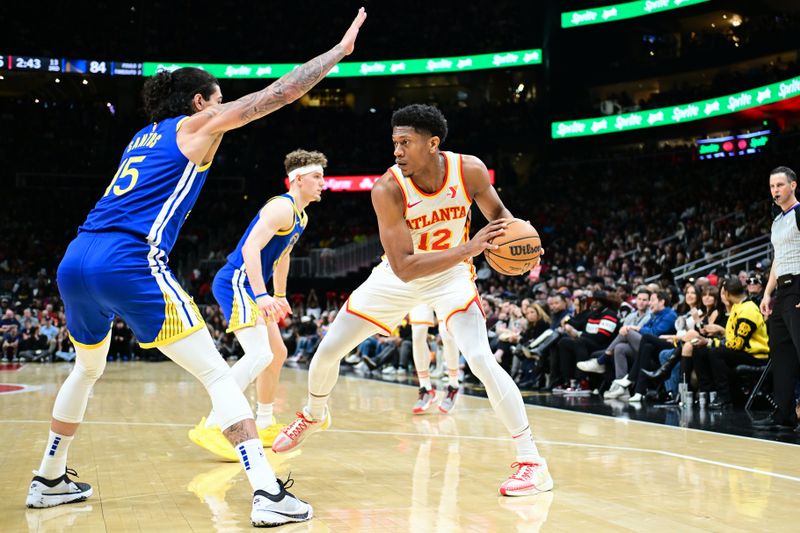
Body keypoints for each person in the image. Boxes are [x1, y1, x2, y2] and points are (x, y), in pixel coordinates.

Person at [24, 9, 367, 528]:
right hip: (129, 258)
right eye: (220, 99)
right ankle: (267, 492)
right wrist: (336, 54)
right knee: (213, 371)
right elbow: (275, 95)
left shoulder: (143, 136)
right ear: (200, 102)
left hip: (77, 257)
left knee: (87, 369)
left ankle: (49, 478)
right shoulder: (197, 124)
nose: (226, 108)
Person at [272, 104, 554, 497]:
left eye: (405, 143)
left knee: (480, 359)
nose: (397, 151)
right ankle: (313, 414)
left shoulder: (468, 169)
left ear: (433, 144)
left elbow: (500, 219)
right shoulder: (386, 189)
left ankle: (532, 462)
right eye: (394, 143)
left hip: (452, 278)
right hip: (397, 277)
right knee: (327, 353)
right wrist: (468, 249)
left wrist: (524, 244)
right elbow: (404, 267)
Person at [188, 150, 327, 460]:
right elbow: (251, 247)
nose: (322, 183)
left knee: (277, 353)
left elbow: (283, 256)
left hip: (255, 288)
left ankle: (264, 421)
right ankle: (214, 424)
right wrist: (263, 295)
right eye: (317, 177)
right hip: (238, 283)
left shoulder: (301, 215)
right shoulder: (281, 207)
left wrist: (279, 295)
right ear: (298, 179)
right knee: (261, 353)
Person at [756, 166, 800, 431]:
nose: (775, 190)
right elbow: (778, 259)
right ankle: (784, 414)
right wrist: (767, 293)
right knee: (782, 355)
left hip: (798, 285)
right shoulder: (777, 220)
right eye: (772, 186)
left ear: (793, 185)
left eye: (780, 185)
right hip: (782, 291)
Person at [408, 304, 461, 414]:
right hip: (419, 289)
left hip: (443, 288)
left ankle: (453, 385)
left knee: (446, 333)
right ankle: (426, 388)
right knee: (417, 335)